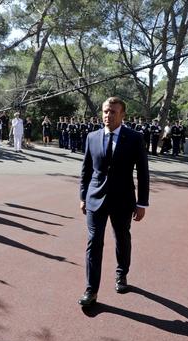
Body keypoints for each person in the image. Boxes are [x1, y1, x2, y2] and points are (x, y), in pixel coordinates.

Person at [78, 96, 149, 306]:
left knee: (122, 238)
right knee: (94, 242)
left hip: (123, 199)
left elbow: (143, 173)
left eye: (113, 112)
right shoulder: (92, 137)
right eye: (105, 111)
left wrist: (142, 203)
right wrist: (83, 196)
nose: (108, 115)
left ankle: (121, 273)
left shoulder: (135, 138)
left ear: (122, 115)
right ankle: (91, 290)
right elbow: (86, 170)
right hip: (95, 198)